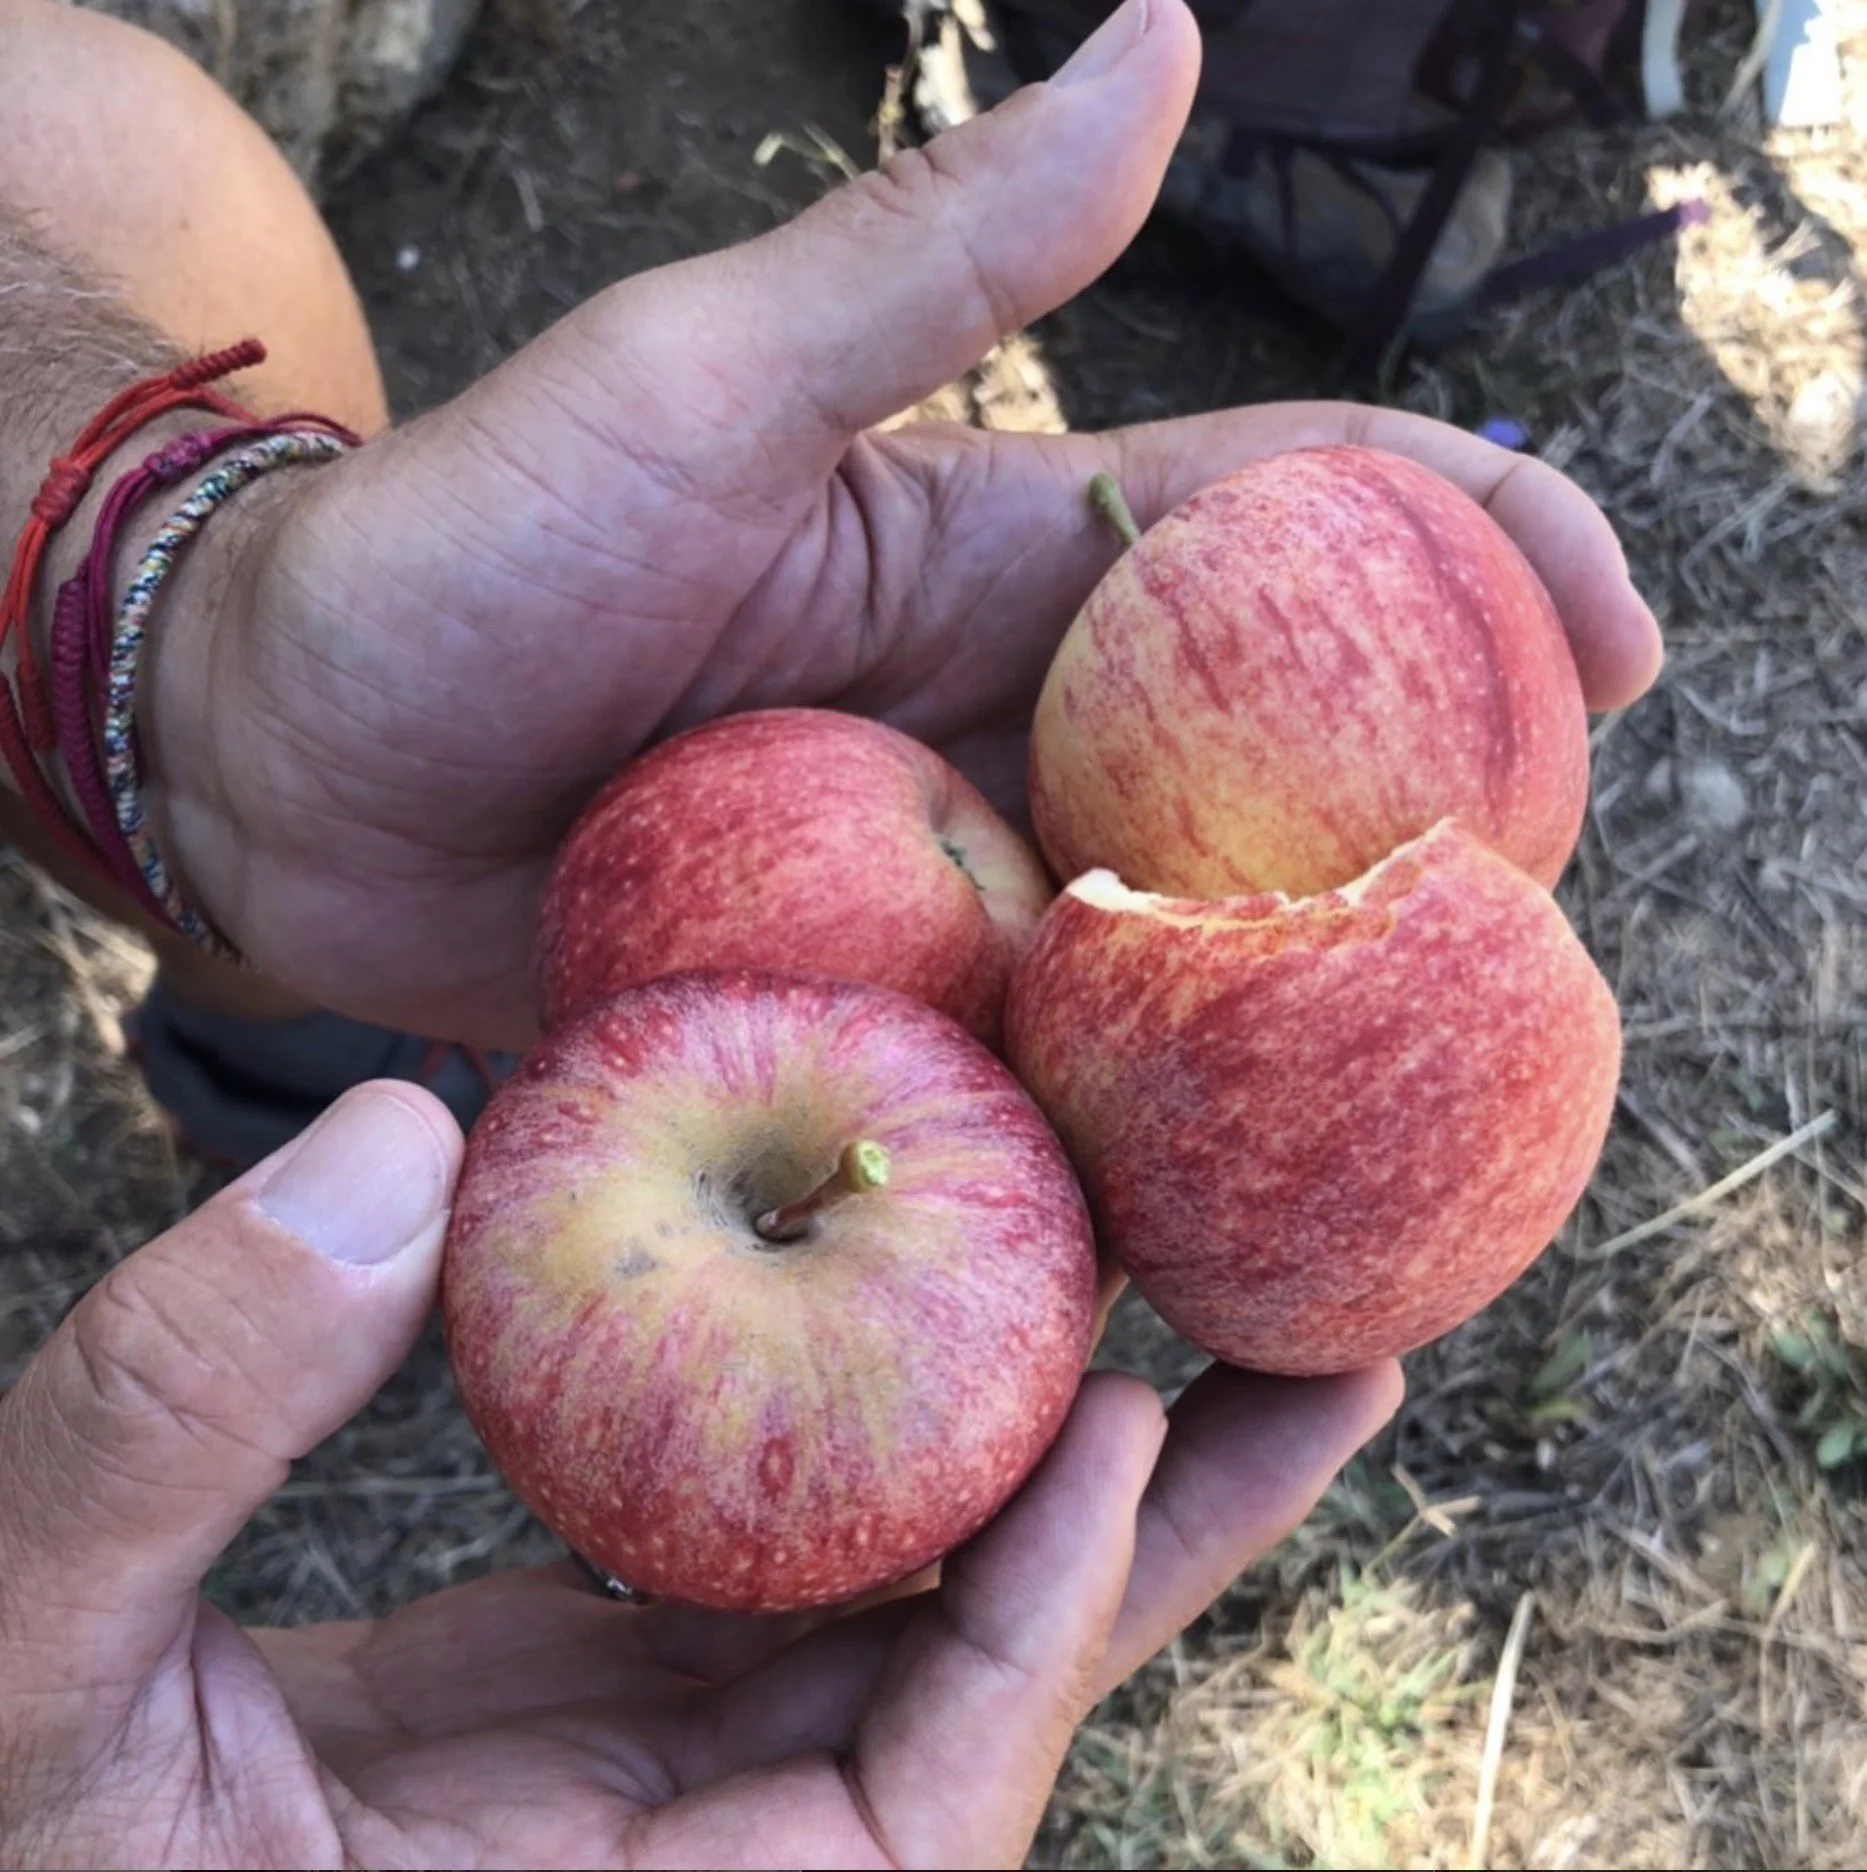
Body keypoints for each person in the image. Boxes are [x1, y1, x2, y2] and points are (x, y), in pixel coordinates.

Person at [0, 1, 1661, 1864]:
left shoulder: (1052, 992)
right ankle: (273, 983)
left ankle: (260, 968)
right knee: (85, 122)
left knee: (90, 124)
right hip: (719, 1101)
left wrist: (199, 622)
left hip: (715, 1109)